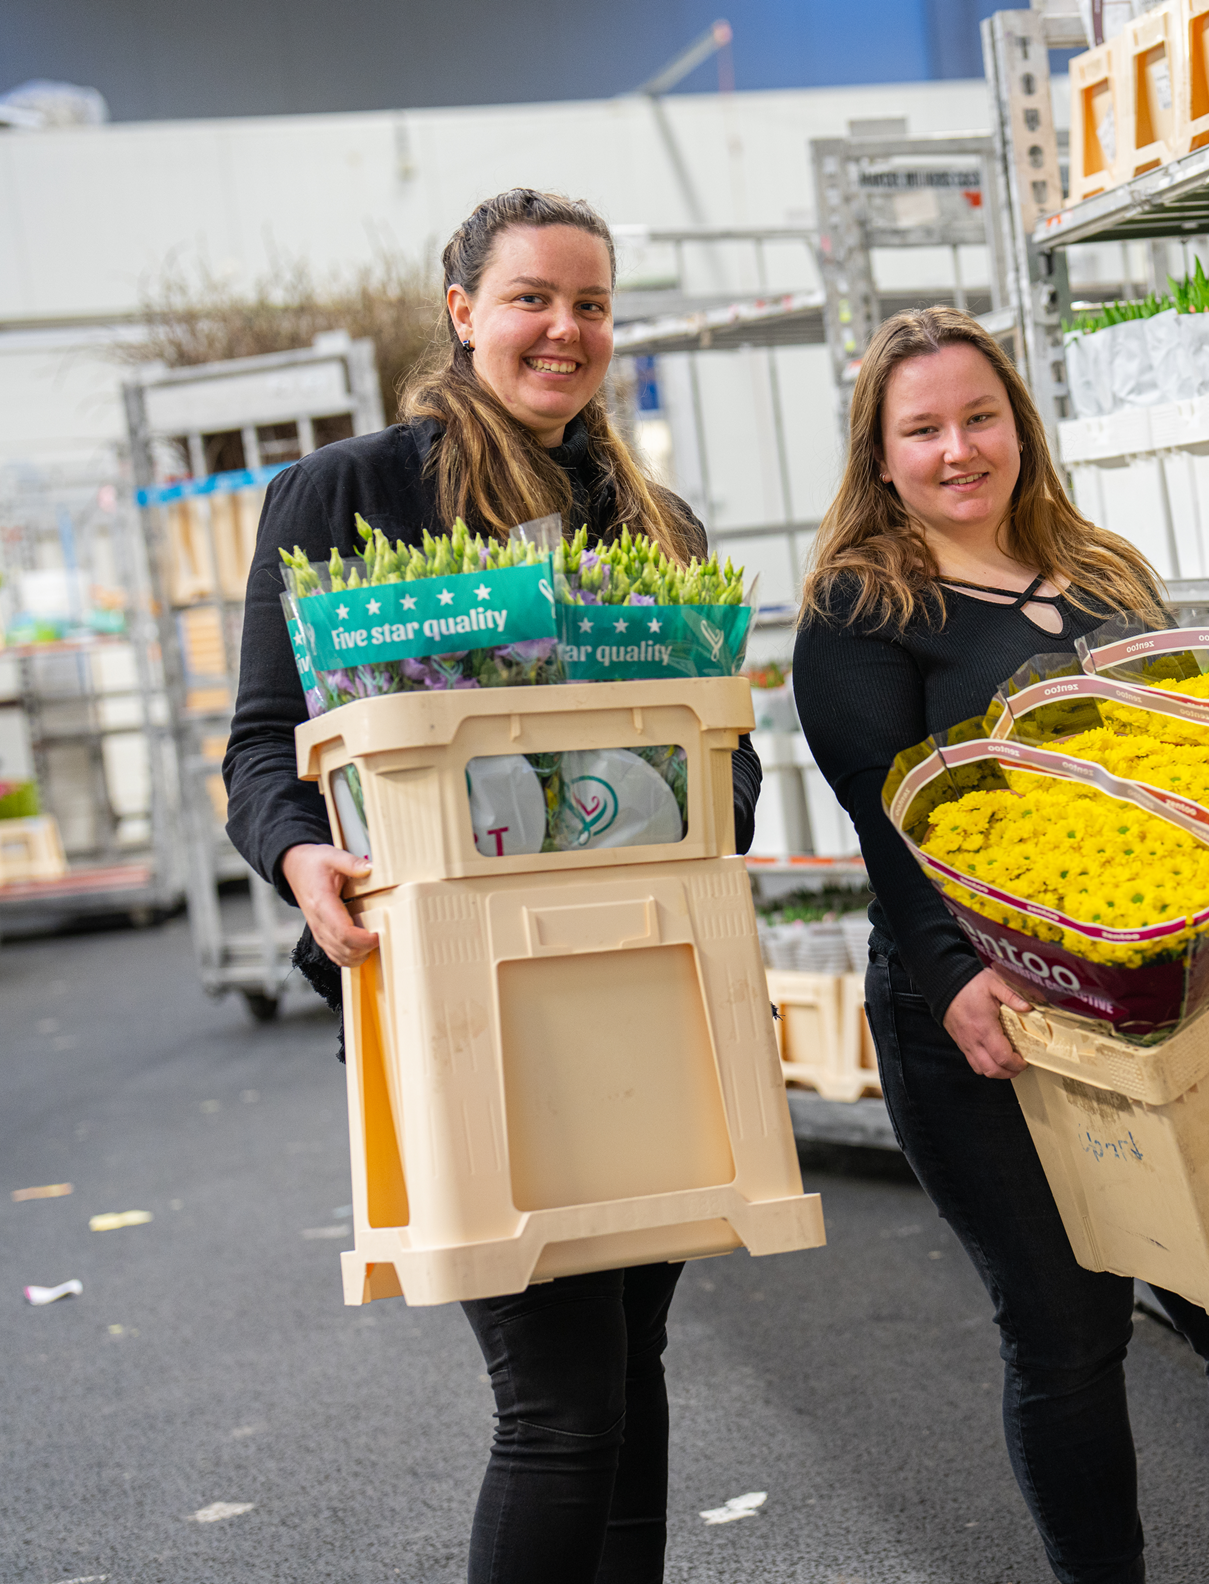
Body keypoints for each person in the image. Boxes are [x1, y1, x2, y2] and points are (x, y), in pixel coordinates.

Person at [794, 304, 1209, 1584]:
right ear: (880, 457)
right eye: (922, 429)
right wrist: (953, 981)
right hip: (984, 1022)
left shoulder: (1101, 573)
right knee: (1064, 1334)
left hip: (1150, 1007)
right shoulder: (863, 608)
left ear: (1019, 427)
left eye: (979, 417)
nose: (958, 450)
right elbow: (892, 817)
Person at [221, 188, 761, 1584]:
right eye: (532, 298)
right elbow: (263, 743)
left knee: (630, 1379)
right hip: (458, 996)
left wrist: (707, 806)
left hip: (641, 978)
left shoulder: (660, 525)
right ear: (462, 311)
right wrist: (299, 856)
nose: (563, 330)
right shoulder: (350, 496)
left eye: (589, 304)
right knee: (562, 1406)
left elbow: (730, 763)